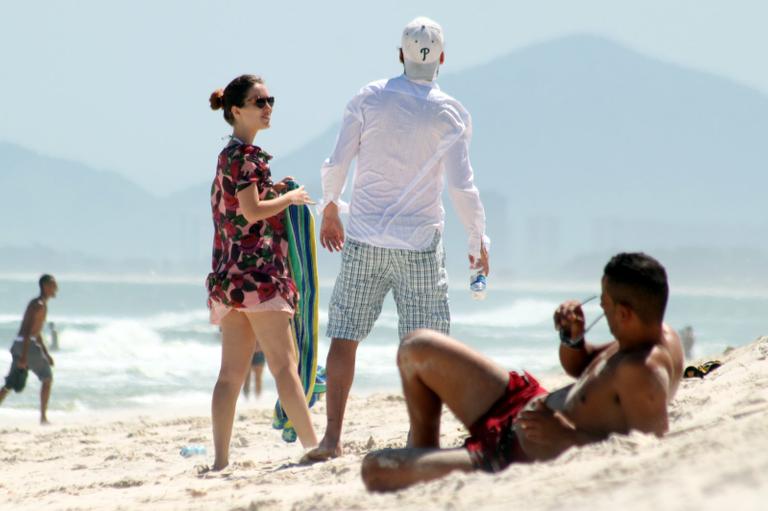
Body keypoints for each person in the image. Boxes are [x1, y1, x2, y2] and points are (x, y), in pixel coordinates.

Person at [307, 17, 490, 461]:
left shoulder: (368, 97)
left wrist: (330, 205)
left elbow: (338, 159)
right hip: (420, 244)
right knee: (425, 343)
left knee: (345, 336)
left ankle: (331, 440)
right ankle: (419, 438)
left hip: (366, 236)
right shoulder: (450, 113)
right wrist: (477, 239)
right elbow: (462, 187)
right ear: (442, 58)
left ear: (400, 55)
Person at [360, 252, 684, 491]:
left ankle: (422, 470)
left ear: (625, 314)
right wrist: (572, 339)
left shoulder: (644, 375)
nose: (600, 308)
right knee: (417, 347)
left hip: (510, 454)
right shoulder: (644, 334)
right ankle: (425, 453)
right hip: (520, 403)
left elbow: (647, 459)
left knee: (375, 470)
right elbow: (584, 368)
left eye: (605, 304)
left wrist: (565, 437)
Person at [206, 74, 318, 470]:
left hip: (229, 279)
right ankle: (313, 447)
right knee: (285, 367)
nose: (267, 107)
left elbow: (240, 210)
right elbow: (253, 212)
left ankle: (220, 460)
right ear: (237, 110)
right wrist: (288, 198)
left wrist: (274, 191)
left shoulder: (227, 157)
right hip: (259, 278)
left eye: (271, 100)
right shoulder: (248, 158)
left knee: (230, 375)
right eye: (259, 101)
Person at [0, 274, 58, 424]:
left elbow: (36, 332)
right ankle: (43, 418)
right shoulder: (38, 305)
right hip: (26, 345)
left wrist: (46, 353)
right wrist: (25, 357)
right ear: (45, 286)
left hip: (20, 345)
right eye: (53, 285)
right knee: (47, 378)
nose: (56, 288)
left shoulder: (40, 304)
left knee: (10, 384)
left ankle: (43, 417)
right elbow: (27, 331)